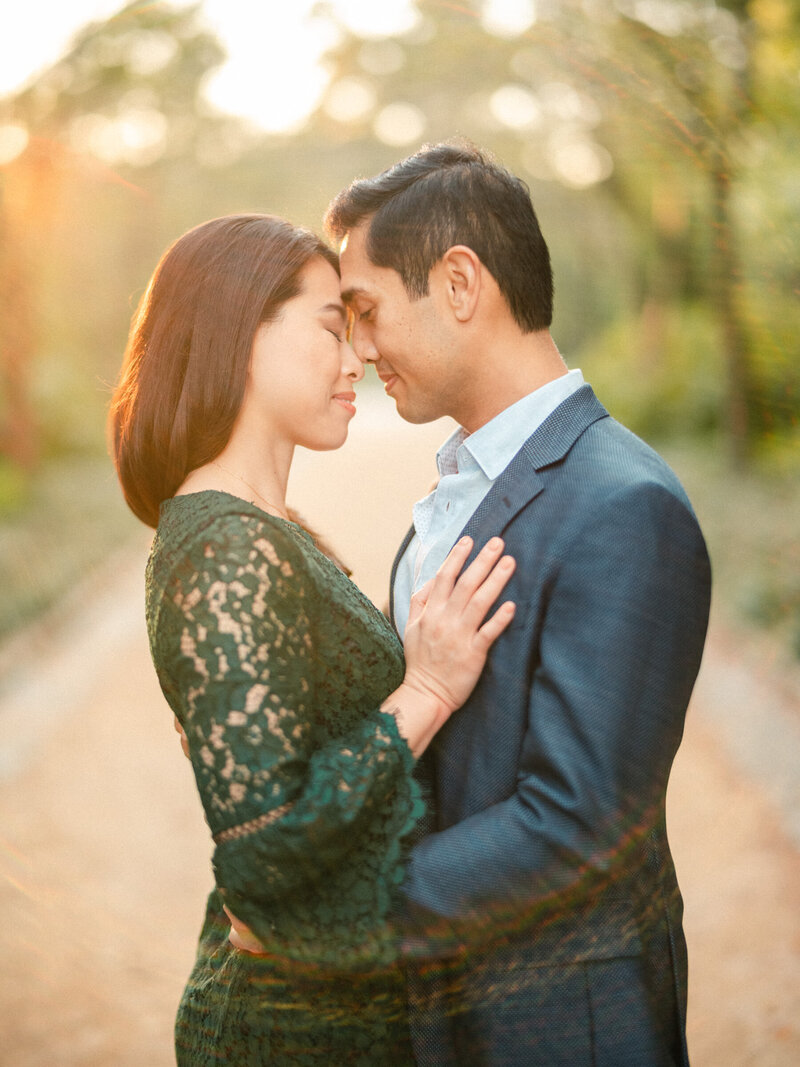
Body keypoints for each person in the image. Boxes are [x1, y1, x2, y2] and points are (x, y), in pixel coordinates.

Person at [323, 142, 712, 1066]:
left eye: (367, 311)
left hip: (557, 1020)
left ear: (460, 282)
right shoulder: (458, 483)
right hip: (445, 1009)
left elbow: (579, 820)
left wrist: (347, 906)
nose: (361, 348)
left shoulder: (625, 504)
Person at [108, 212, 517, 1065]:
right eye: (333, 326)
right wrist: (427, 690)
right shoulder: (226, 546)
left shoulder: (260, 528)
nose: (358, 358)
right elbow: (262, 856)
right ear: (238, 329)